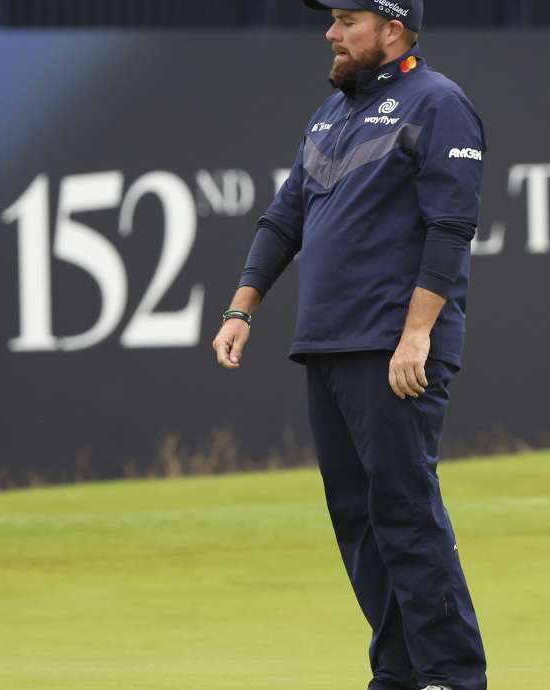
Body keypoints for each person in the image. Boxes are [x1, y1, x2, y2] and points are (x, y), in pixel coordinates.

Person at [211, 1, 488, 689]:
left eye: (346, 19)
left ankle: (452, 676)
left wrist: (417, 334)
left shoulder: (438, 103)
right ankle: (396, 671)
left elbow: (451, 227)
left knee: (403, 509)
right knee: (358, 521)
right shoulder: (331, 113)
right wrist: (242, 306)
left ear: (392, 29)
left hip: (395, 347)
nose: (330, 33)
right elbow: (285, 219)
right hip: (328, 345)